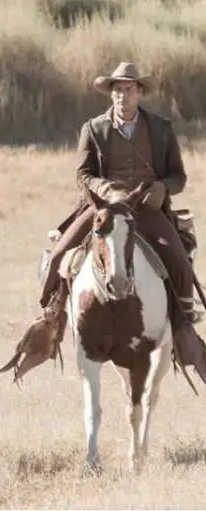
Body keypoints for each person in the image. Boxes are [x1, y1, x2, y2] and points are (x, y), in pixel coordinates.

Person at [33, 61, 206, 378]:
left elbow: (178, 177)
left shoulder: (161, 128)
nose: (122, 96)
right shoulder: (93, 128)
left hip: (146, 209)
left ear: (139, 92)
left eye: (128, 89)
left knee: (179, 260)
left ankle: (184, 329)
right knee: (60, 254)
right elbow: (83, 176)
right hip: (104, 210)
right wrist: (104, 190)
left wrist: (161, 188)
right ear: (110, 94)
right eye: (117, 90)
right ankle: (50, 318)